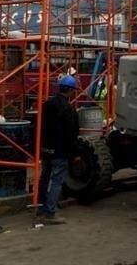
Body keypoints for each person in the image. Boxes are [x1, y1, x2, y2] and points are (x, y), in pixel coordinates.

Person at [38, 74, 80, 224]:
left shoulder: (47, 105)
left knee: (44, 177)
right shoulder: (68, 109)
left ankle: (41, 206)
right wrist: (74, 153)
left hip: (46, 148)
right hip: (60, 150)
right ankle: (50, 213)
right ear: (71, 91)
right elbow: (71, 133)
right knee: (56, 181)